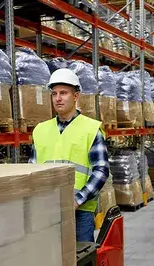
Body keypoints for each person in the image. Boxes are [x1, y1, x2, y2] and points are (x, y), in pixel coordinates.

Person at [31, 68, 109, 243]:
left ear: (76, 96)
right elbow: (32, 169)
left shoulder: (91, 129)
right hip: (46, 211)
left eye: (64, 93)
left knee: (81, 264)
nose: (58, 98)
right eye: (54, 94)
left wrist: (77, 200)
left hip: (79, 212)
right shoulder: (40, 130)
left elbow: (101, 171)